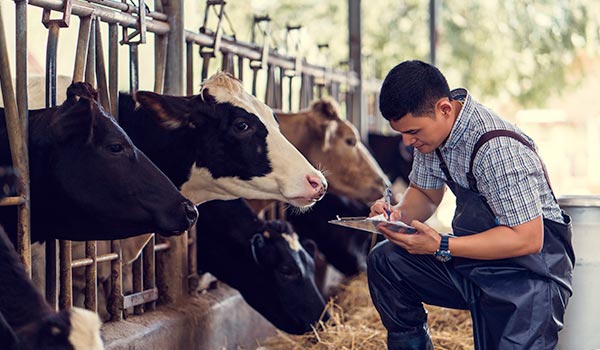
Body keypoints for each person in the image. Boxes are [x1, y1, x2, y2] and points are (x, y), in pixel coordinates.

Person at [367, 60, 575, 350]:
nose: (406, 141)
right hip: (478, 265)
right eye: (401, 132)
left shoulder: (497, 149)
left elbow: (528, 238)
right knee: (387, 260)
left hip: (529, 278)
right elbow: (425, 195)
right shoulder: (433, 137)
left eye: (412, 131)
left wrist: (441, 245)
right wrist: (395, 215)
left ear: (444, 109)